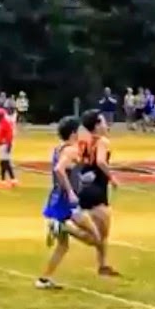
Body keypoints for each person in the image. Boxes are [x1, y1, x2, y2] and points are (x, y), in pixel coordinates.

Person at [35, 116, 102, 289]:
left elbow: (67, 172)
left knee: (63, 246)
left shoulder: (60, 148)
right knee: (95, 238)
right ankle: (63, 226)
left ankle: (43, 279)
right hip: (67, 204)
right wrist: (72, 192)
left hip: (57, 201)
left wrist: (82, 180)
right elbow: (59, 169)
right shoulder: (71, 150)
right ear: (73, 133)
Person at [78, 110, 120, 276]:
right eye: (102, 121)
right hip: (98, 188)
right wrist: (112, 177)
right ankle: (65, 229)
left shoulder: (84, 141)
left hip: (85, 186)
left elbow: (80, 162)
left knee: (99, 233)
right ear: (96, 125)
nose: (105, 124)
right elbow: (101, 161)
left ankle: (103, 266)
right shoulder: (102, 141)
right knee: (101, 234)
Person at [0, 107, 17, 189]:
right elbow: (0, 136)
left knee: (4, 163)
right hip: (3, 145)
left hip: (5, 145)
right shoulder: (1, 123)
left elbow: (9, 135)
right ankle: (12, 180)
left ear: (0, 116)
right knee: (6, 163)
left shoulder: (5, 123)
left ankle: (3, 181)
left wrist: (8, 145)